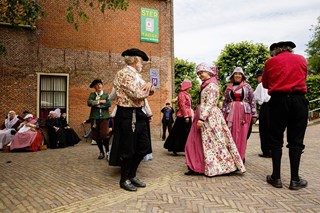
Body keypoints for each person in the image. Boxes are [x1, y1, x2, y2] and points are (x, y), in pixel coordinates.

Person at [185, 63, 246, 176]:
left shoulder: (212, 85)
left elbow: (210, 103)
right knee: (198, 142)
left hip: (209, 118)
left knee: (214, 143)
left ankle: (225, 167)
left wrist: (202, 118)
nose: (199, 75)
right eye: (198, 73)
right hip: (203, 115)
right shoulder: (206, 85)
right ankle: (197, 166)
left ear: (208, 72)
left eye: (201, 72)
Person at [262, 41, 309, 190]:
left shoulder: (270, 62)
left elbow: (265, 84)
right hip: (298, 100)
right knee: (296, 140)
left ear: (275, 51)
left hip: (278, 100)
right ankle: (295, 179)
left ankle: (276, 177)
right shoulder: (301, 59)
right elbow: (303, 77)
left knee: (276, 139)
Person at [108, 48, 154, 192]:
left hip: (138, 112)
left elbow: (149, 91)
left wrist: (150, 85)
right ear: (135, 60)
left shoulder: (137, 76)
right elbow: (136, 94)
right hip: (127, 114)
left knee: (143, 146)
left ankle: (132, 174)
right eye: (141, 61)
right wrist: (148, 86)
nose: (142, 64)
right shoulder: (124, 73)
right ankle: (124, 179)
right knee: (128, 149)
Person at [222, 67, 257, 162]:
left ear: (243, 76)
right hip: (230, 114)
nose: (238, 75)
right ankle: (231, 158)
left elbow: (252, 100)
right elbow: (225, 101)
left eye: (240, 74)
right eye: (236, 74)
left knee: (243, 135)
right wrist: (222, 114)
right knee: (230, 135)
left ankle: (241, 157)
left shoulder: (247, 87)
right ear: (232, 76)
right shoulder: (229, 87)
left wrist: (254, 114)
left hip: (244, 114)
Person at [164, 79, 193, 156]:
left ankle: (185, 148)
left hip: (188, 115)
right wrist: (186, 116)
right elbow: (182, 106)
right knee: (180, 133)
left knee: (183, 133)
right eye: (189, 87)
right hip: (183, 117)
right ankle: (176, 148)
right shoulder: (181, 94)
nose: (190, 88)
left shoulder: (187, 94)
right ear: (186, 87)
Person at [87, 79, 112, 159]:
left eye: (100, 84)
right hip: (94, 118)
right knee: (96, 136)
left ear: (102, 85)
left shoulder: (106, 94)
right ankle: (101, 151)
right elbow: (89, 103)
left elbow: (108, 103)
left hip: (104, 117)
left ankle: (107, 151)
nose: (99, 86)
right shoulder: (92, 95)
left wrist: (97, 105)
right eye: (97, 85)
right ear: (94, 87)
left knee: (104, 135)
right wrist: (100, 101)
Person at [253, 69, 272, 158]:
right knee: (272, 129)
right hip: (274, 106)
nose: (257, 79)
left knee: (264, 129)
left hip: (266, 107)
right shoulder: (272, 83)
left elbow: (255, 98)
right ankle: (272, 150)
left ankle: (266, 151)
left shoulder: (261, 85)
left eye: (257, 77)